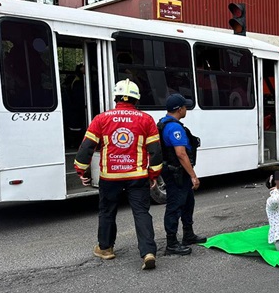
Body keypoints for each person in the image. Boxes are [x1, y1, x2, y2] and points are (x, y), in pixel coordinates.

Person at [74, 79, 163, 270]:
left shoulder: (101, 119)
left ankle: (106, 248)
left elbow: (86, 147)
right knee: (141, 213)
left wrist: (82, 171)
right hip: (137, 175)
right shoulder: (146, 119)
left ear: (115, 97)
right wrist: (153, 175)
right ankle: (148, 252)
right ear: (136, 99)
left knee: (107, 211)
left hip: (110, 177)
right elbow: (155, 151)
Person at [158, 94, 207, 256]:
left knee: (188, 202)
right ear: (180, 109)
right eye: (185, 107)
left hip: (176, 171)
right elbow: (181, 154)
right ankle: (172, 243)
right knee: (175, 205)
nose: (186, 109)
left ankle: (188, 235)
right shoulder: (174, 127)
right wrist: (193, 175)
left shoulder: (164, 123)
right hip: (176, 172)